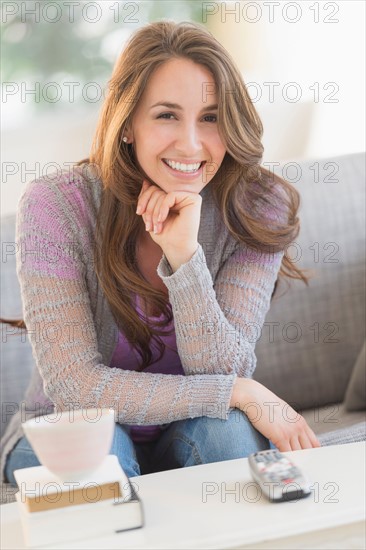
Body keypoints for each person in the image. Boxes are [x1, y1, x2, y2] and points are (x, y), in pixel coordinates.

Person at [1, 20, 320, 486]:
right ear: (128, 123)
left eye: (210, 117)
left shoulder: (258, 206)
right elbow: (75, 388)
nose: (191, 144)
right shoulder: (57, 205)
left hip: (185, 431)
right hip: (71, 429)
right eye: (167, 115)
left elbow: (226, 366)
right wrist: (237, 391)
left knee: (229, 436)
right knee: (102, 450)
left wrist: (185, 258)